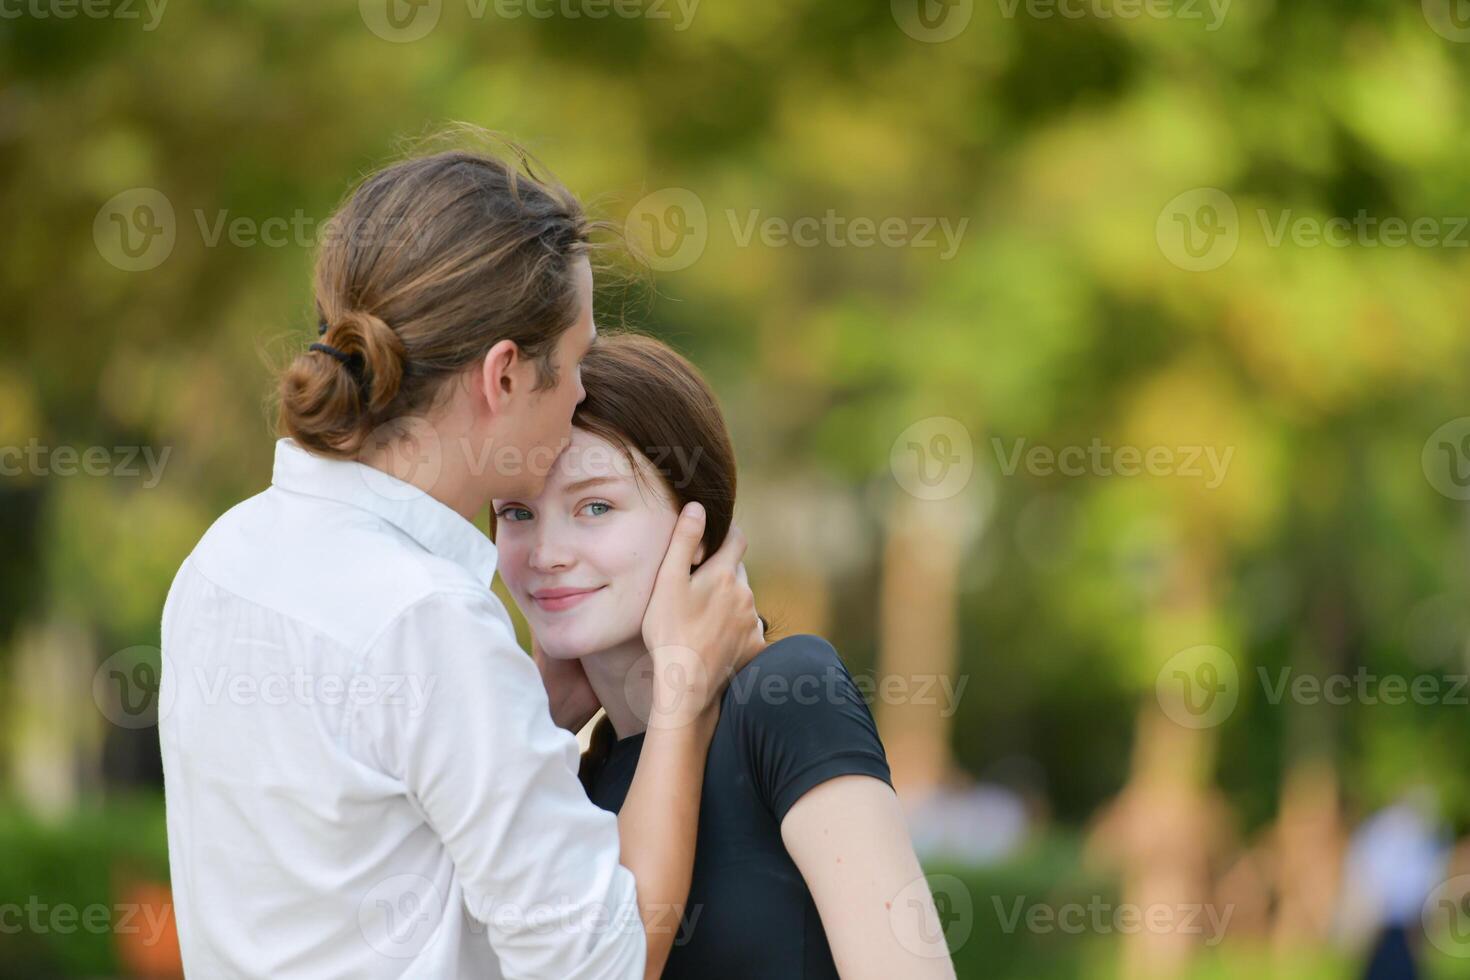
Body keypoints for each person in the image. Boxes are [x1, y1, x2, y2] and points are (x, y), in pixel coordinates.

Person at [157, 141, 762, 979]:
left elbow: (364, 851)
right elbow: (602, 963)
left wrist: (533, 716)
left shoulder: (223, 557)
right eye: (577, 362)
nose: (585, 395)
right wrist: (684, 699)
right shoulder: (428, 617)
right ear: (504, 375)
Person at [492, 334, 957, 979]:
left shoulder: (788, 697)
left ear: (696, 523)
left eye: (595, 506)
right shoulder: (560, 780)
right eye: (517, 512)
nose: (546, 552)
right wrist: (529, 722)